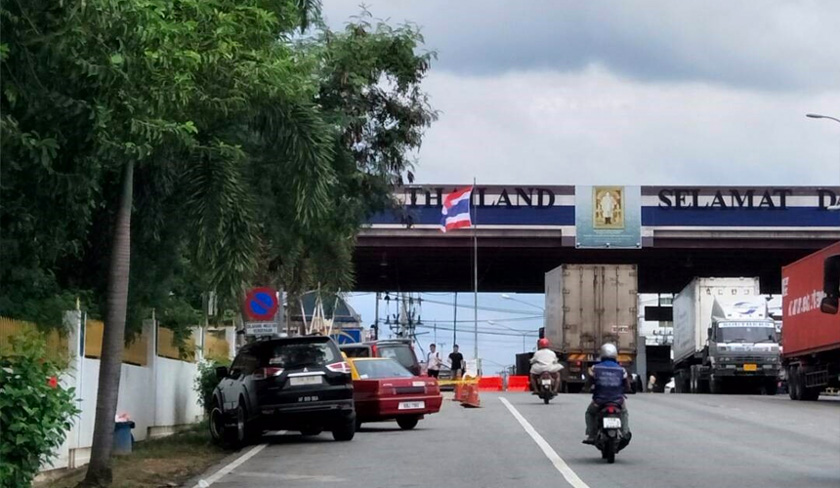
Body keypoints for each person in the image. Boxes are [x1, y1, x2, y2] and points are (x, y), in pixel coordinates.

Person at [583, 343, 631, 445]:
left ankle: (591, 434)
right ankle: (625, 432)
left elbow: (588, 383)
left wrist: (586, 389)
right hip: (617, 401)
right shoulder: (621, 369)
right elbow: (627, 386)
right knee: (624, 413)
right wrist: (625, 390)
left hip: (599, 401)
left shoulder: (595, 368)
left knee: (590, 413)